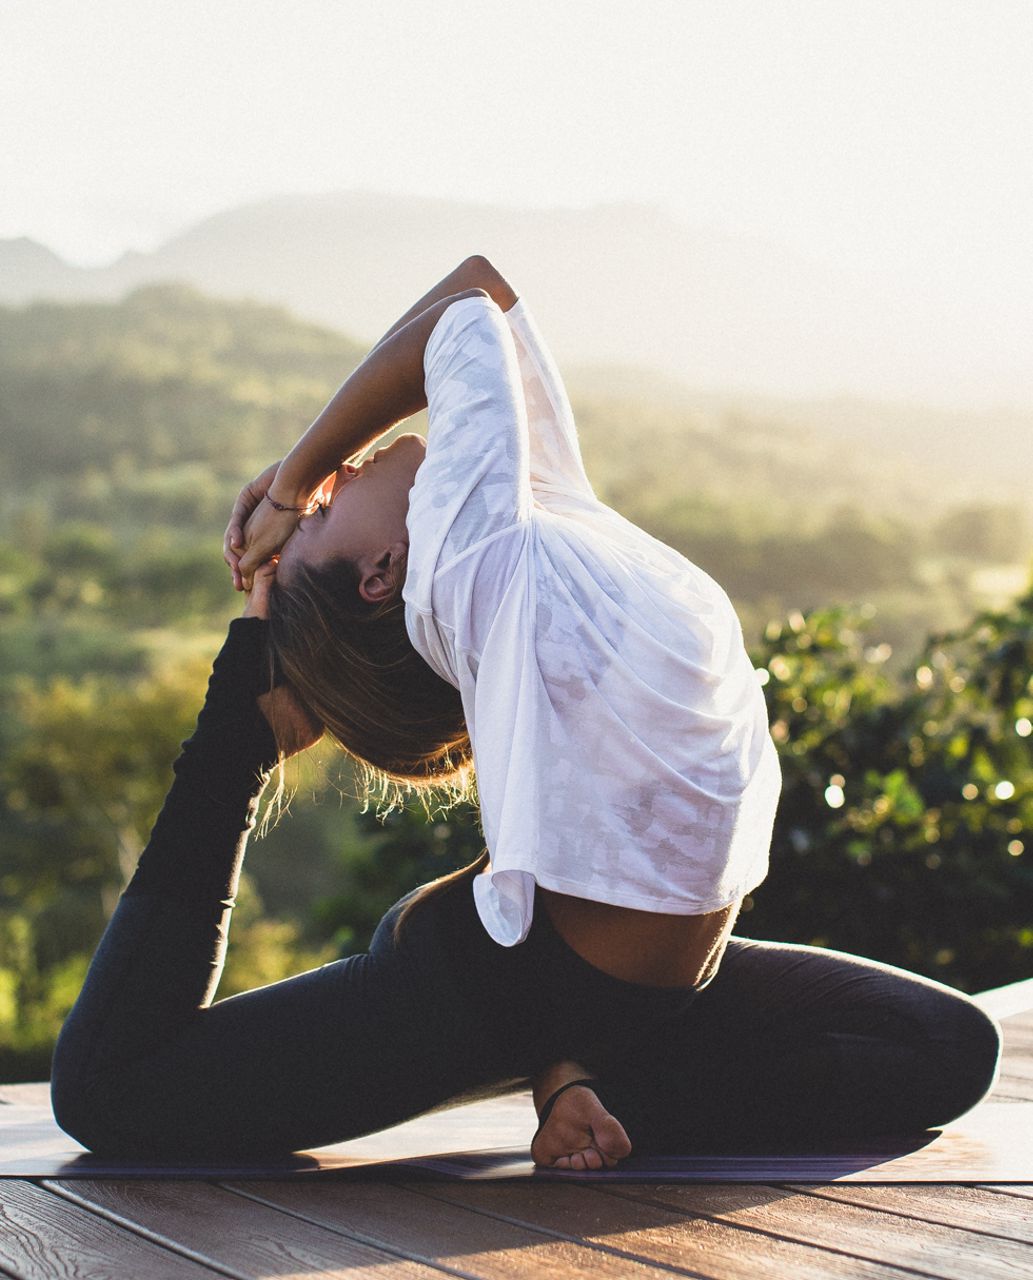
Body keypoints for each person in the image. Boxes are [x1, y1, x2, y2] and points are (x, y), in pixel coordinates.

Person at [52, 258, 1002, 1170]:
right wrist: (292, 480)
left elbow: (487, 298)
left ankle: (584, 1071)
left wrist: (306, 489)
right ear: (385, 572)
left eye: (309, 507)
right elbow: (461, 306)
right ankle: (243, 740)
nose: (333, 483)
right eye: (317, 523)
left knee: (945, 1048)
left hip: (640, 984)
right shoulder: (470, 561)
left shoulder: (533, 514)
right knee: (110, 1093)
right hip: (480, 987)